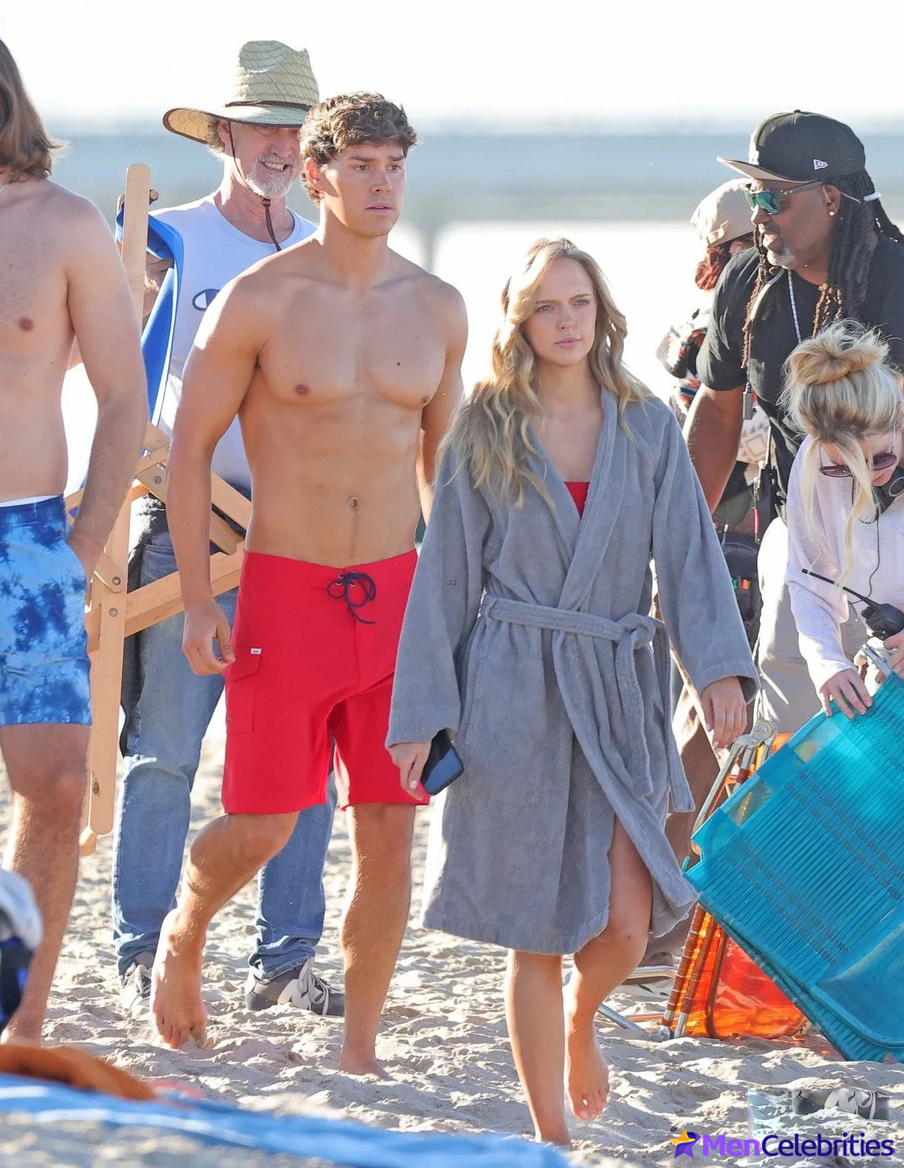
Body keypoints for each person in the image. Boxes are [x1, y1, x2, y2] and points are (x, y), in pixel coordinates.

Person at [386, 238, 756, 1145]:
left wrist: (715, 669)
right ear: (520, 320)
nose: (564, 321)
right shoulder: (486, 426)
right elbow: (443, 578)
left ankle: (583, 1025)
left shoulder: (644, 424)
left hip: (618, 684)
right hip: (511, 687)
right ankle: (552, 1137)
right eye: (546, 306)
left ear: (601, 312)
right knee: (537, 928)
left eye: (578, 303)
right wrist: (422, 713)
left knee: (629, 924)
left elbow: (693, 557)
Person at [150, 93, 467, 1073]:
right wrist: (201, 598)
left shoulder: (438, 306)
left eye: (393, 165)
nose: (381, 182)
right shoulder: (260, 299)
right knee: (261, 820)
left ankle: (359, 1049)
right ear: (320, 175)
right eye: (362, 164)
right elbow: (190, 453)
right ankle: (184, 935)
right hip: (285, 594)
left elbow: (440, 475)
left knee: (387, 832)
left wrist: (453, 613)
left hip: (399, 601)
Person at [112, 40, 343, 1021]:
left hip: (306, 537)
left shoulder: (333, 253)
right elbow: (109, 358)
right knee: (163, 751)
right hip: (191, 530)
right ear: (226, 135)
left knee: (304, 762)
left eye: (295, 128)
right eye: (262, 125)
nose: (278, 144)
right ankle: (141, 952)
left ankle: (286, 960)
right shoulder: (162, 238)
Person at [0, 39, 147, 1040]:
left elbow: (124, 391)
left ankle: (21, 1024)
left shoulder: (62, 224)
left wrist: (86, 536)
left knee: (55, 782)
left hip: (28, 545)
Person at [687, 110, 904, 735]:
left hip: (895, 532)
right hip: (801, 540)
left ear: (831, 197)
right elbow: (718, 411)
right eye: (754, 194)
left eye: (773, 196)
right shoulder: (748, 282)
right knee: (793, 749)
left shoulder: (895, 278)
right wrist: (679, 543)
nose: (758, 213)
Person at [783, 322, 904, 717]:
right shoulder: (811, 461)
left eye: (881, 459)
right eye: (843, 469)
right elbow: (809, 578)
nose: (867, 478)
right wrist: (828, 662)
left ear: (898, 417)